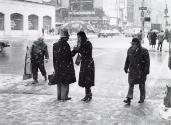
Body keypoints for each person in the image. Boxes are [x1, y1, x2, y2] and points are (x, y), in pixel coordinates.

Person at [123, 38, 150, 105]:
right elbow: (127, 59)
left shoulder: (144, 51)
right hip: (132, 70)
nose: (132, 45)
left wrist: (146, 71)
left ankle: (142, 98)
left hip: (141, 71)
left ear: (137, 44)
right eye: (131, 44)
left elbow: (147, 62)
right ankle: (129, 98)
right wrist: (126, 67)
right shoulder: (129, 50)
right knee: (131, 84)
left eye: (133, 44)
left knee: (141, 85)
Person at [53, 29, 76, 101]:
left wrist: (55, 67)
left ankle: (59, 96)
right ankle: (64, 97)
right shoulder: (66, 45)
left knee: (59, 82)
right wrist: (75, 50)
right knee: (65, 83)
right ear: (64, 37)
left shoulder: (55, 45)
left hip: (58, 66)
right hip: (65, 67)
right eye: (67, 36)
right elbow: (69, 56)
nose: (68, 37)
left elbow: (54, 58)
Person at [72, 31, 95, 102]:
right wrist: (69, 54)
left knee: (88, 79)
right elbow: (74, 53)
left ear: (82, 37)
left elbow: (86, 53)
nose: (78, 38)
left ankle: (88, 95)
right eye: (77, 37)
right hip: (84, 63)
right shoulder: (80, 44)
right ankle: (87, 95)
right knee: (85, 79)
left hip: (89, 63)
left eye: (79, 37)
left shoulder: (88, 43)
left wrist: (78, 49)